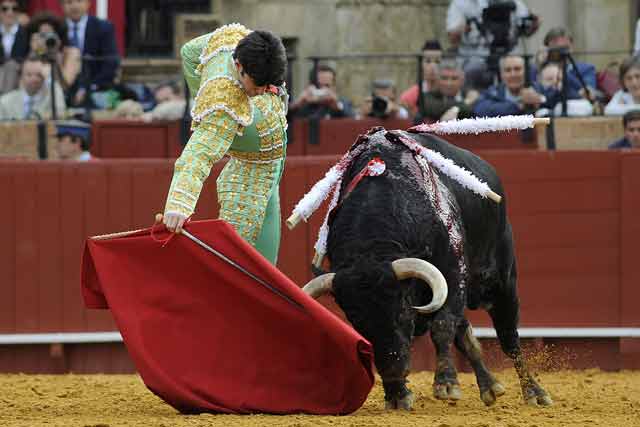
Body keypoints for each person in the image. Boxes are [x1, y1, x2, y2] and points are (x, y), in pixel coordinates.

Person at [162, 24, 288, 264]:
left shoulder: (235, 40)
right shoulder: (224, 106)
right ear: (239, 66)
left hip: (265, 161)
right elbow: (198, 154)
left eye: (268, 84)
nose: (262, 91)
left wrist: (202, 97)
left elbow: (189, 51)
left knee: (257, 265)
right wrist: (178, 204)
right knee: (248, 266)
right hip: (251, 171)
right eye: (257, 84)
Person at [446, 0, 538, 90]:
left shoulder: (514, 2)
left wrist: (533, 24)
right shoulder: (462, 3)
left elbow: (526, 29)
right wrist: (467, 26)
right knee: (473, 70)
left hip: (509, 53)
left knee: (530, 69)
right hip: (477, 55)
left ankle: (527, 100)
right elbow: (452, 37)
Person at [60, 0, 120, 107]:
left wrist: (89, 88)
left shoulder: (103, 28)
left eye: (79, 1)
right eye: (69, 2)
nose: (74, 6)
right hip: (63, 89)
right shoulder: (57, 28)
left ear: (88, 3)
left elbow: (110, 63)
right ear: (62, 5)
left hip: (97, 87)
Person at [473, 54, 558, 117]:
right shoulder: (493, 92)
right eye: (508, 70)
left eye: (517, 69)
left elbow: (556, 99)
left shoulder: (539, 88)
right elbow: (480, 109)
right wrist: (519, 106)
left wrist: (539, 99)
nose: (513, 74)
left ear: (526, 71)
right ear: (502, 75)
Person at [25, 11, 81, 93]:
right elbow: (25, 85)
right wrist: (35, 52)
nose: (47, 39)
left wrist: (54, 55)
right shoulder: (36, 53)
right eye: (43, 35)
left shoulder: (71, 53)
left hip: (64, 99)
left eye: (50, 34)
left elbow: (65, 86)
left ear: (58, 35)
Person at [535, 27, 597, 100]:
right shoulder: (536, 68)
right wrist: (540, 66)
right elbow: (533, 90)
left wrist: (562, 72)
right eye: (556, 48)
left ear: (571, 47)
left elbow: (589, 92)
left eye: (565, 47)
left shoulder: (586, 68)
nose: (561, 52)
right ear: (547, 48)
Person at [0, 55, 66, 120]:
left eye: (39, 75)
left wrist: (49, 78)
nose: (34, 79)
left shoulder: (51, 98)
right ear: (21, 77)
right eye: (29, 74)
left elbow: (60, 113)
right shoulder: (5, 101)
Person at [421, 56, 478, 122]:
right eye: (444, 78)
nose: (449, 83)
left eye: (454, 78)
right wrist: (465, 103)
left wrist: (457, 108)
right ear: (437, 79)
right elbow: (435, 109)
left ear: (462, 80)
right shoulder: (427, 97)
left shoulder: (468, 94)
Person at [289, 64, 353, 119]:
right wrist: (298, 104)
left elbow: (353, 119)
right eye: (319, 86)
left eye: (327, 85)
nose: (323, 90)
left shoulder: (343, 103)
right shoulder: (304, 106)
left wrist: (336, 106)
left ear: (333, 86)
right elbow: (285, 120)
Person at [399, 39, 442, 118]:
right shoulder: (408, 97)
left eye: (437, 61)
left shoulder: (449, 92)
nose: (433, 66)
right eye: (428, 61)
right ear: (421, 64)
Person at [0, 0, 28, 94]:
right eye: (5, 9)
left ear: (19, 12)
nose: (10, 12)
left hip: (18, 72)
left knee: (11, 66)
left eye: (14, 9)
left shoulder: (26, 33)